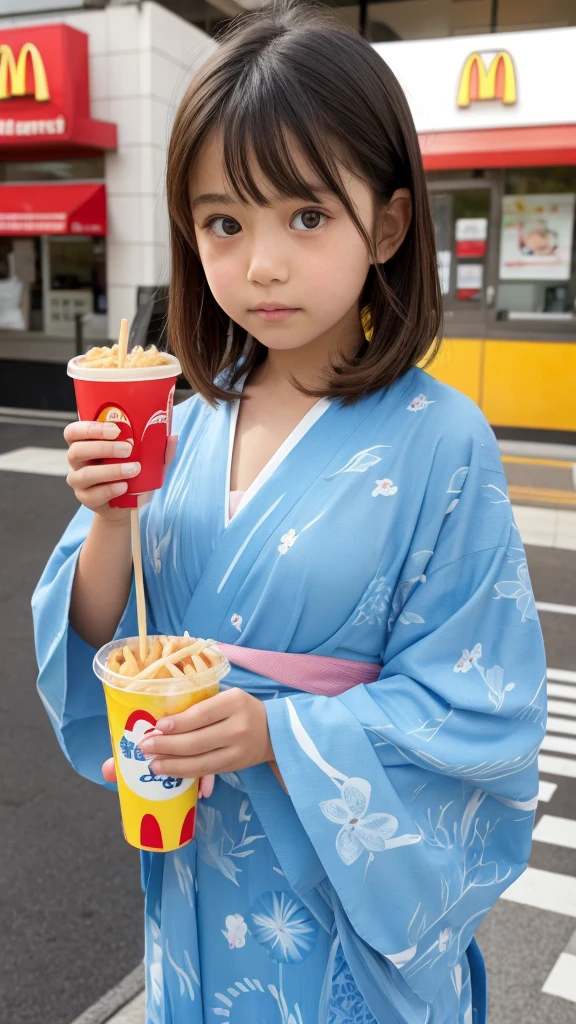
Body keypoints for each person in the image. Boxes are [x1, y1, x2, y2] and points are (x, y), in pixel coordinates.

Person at [32, 2, 547, 1022]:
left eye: (306, 217)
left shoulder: (441, 439)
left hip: (337, 898)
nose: (260, 262)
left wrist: (282, 732)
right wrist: (109, 514)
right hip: (190, 873)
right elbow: (93, 631)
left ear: (388, 223)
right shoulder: (172, 420)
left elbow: (481, 706)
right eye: (225, 221)